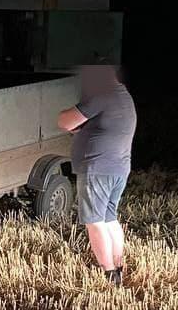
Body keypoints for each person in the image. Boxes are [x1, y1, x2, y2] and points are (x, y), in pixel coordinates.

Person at [58, 64, 137, 285]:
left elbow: (65, 122)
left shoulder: (103, 95)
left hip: (98, 168)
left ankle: (109, 275)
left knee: (94, 222)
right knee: (109, 218)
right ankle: (118, 266)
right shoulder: (123, 96)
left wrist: (63, 114)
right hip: (118, 168)